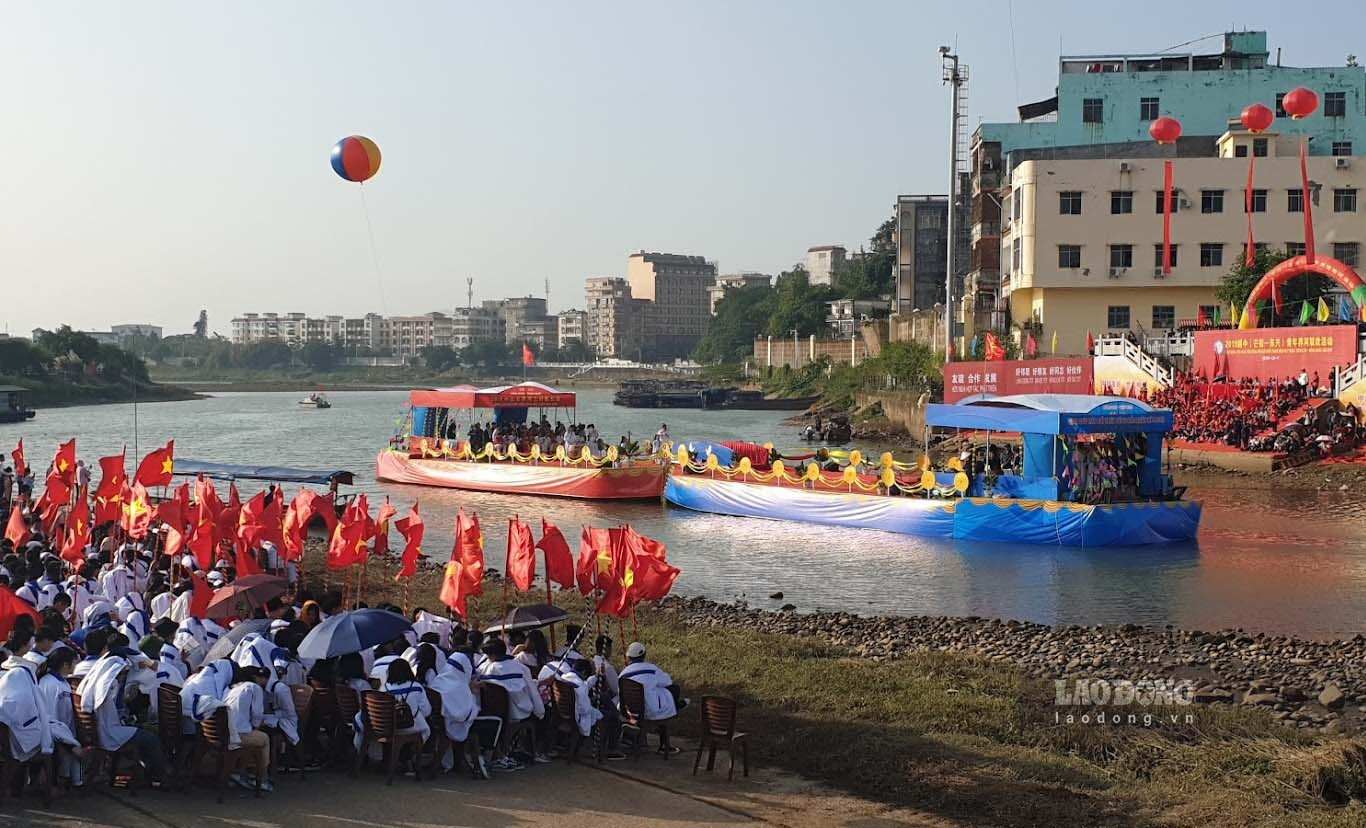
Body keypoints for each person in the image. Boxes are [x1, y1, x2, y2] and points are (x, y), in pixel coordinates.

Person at [77, 654, 168, 785]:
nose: (123, 675)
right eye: (121, 672)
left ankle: (150, 772)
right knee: (151, 738)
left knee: (143, 731)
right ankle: (159, 777)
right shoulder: (108, 687)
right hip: (111, 733)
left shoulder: (95, 685)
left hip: (103, 729)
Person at [619, 641, 687, 754]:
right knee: (674, 689)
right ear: (644, 655)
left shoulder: (623, 674)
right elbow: (667, 681)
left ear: (628, 657)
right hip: (650, 711)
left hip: (631, 712)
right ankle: (664, 745)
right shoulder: (651, 669)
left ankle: (630, 735)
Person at [223, 665, 273, 791]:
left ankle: (240, 772)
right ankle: (263, 778)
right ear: (254, 677)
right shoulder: (254, 688)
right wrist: (256, 725)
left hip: (223, 733)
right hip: (237, 735)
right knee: (264, 739)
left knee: (252, 738)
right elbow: (257, 714)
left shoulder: (231, 688)